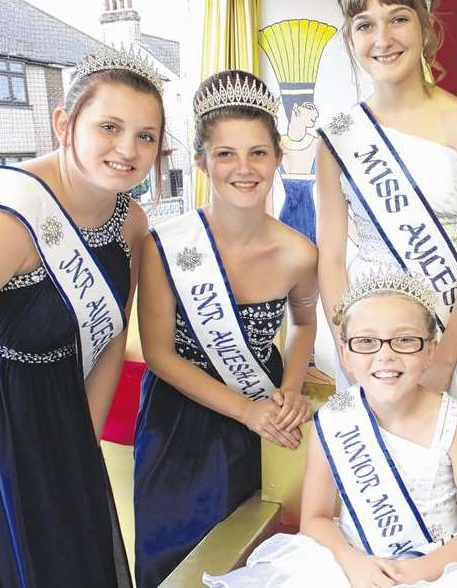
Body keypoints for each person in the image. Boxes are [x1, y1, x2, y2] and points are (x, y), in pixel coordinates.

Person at [0, 46, 162, 587]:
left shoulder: (131, 221)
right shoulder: (1, 216)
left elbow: (109, 337)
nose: (128, 149)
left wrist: (84, 442)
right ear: (64, 122)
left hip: (59, 415)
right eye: (109, 126)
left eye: (146, 136)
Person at [204, 268, 457, 588]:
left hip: (438, 571)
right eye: (367, 342)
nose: (386, 355)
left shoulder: (456, 422)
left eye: (404, 340)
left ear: (430, 351)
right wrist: (353, 564)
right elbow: (315, 518)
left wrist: (406, 575)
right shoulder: (335, 419)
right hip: (351, 567)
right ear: (346, 355)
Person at [133, 70, 317, 588]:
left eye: (258, 153)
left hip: (262, 422)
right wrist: (249, 410)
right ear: (201, 161)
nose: (244, 168)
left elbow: (304, 324)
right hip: (179, 418)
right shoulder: (164, 245)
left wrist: (290, 389)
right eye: (225, 154)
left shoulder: (300, 253)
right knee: (173, 555)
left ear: (279, 157)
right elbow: (159, 355)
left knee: (256, 550)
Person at [316, 0, 457, 429]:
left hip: (453, 324)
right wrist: (351, 344)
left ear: (425, 26)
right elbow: (331, 258)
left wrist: (442, 361)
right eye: (364, 24)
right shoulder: (337, 137)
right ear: (350, 36)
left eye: (397, 19)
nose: (382, 38)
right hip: (370, 332)